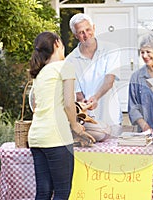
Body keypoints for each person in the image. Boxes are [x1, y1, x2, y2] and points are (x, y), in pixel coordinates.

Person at [28, 31, 95, 199]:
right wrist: (75, 126)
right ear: (57, 43)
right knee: (62, 192)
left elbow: (36, 105)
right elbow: (67, 104)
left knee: (43, 192)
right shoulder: (65, 66)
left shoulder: (40, 72)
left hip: (36, 137)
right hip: (56, 137)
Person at [65, 13, 122, 129]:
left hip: (112, 118)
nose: (86, 35)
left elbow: (109, 80)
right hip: (88, 121)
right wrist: (83, 102)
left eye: (88, 29)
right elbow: (77, 93)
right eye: (81, 32)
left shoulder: (111, 49)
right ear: (76, 35)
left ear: (94, 28)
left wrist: (96, 97)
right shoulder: (70, 60)